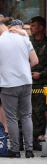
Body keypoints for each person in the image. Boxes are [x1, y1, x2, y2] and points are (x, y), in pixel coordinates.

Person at [0, 20, 39, 158]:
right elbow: (35, 61)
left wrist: (5, 68)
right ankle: (29, 150)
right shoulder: (23, 38)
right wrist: (22, 67)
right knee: (26, 115)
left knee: (11, 117)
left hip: (8, 83)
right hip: (26, 81)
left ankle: (15, 149)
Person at [28, 16, 47, 150]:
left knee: (39, 111)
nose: (31, 28)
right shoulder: (29, 42)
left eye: (33, 26)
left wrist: (41, 74)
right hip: (27, 80)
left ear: (41, 27)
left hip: (42, 83)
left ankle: (36, 138)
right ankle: (25, 138)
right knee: (26, 111)